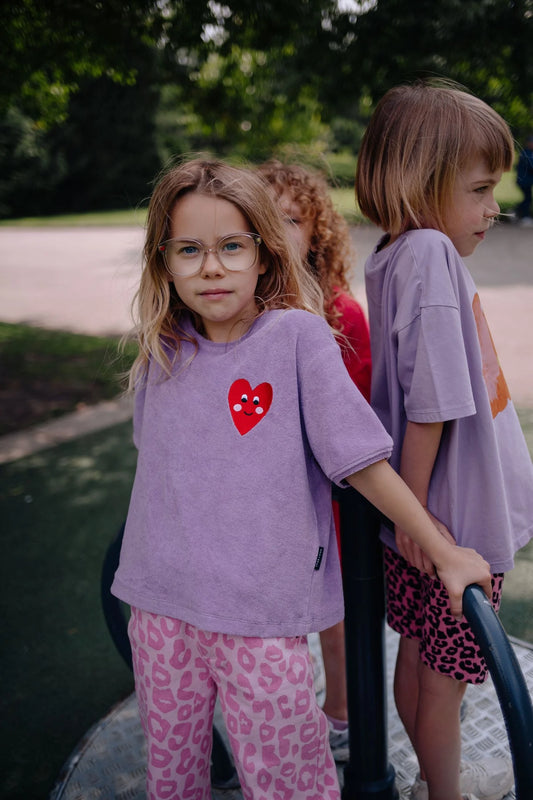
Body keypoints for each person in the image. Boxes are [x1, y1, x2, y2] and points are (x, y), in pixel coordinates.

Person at [112, 157, 492, 800]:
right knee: (172, 777)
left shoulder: (297, 339)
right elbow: (163, 465)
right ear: (164, 262)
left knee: (287, 779)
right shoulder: (162, 347)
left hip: (257, 616)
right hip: (159, 607)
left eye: (232, 246)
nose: (211, 266)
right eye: (189, 250)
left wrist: (442, 548)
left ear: (264, 254)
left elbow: (362, 462)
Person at [355, 81, 533, 800]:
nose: (494, 208)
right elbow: (430, 405)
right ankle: (445, 795)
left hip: (423, 519)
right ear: (420, 184)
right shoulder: (430, 253)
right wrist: (421, 522)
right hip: (453, 527)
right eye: (480, 189)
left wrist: (407, 518)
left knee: (417, 659)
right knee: (444, 688)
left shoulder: (392, 253)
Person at [258, 159, 371, 761]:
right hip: (265, 497)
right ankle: (282, 710)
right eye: (264, 219)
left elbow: (353, 417)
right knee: (274, 612)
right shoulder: (238, 310)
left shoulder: (338, 314)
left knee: (334, 609)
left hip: (329, 494)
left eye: (293, 219)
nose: (278, 232)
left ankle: (344, 712)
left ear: (317, 232)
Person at [516, 134, 533, 225]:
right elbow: (531, 166)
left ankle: (516, 212)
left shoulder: (527, 153)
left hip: (525, 181)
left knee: (527, 198)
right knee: (527, 198)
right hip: (524, 181)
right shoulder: (527, 153)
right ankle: (523, 216)